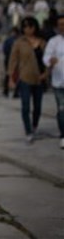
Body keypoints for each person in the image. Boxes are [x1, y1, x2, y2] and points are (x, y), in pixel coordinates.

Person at [9, 16, 47, 144]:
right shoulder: (19, 43)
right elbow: (13, 60)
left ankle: (34, 125)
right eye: (25, 27)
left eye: (30, 26)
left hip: (39, 77)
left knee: (38, 107)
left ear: (35, 27)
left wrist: (46, 74)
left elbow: (47, 60)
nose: (28, 29)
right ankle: (28, 131)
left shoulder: (42, 43)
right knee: (25, 106)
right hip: (25, 77)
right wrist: (11, 77)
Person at [43, 14, 64, 149]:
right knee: (62, 110)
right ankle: (63, 135)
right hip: (58, 81)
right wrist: (49, 61)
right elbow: (46, 57)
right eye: (61, 24)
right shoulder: (53, 41)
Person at [3, 27, 20, 98]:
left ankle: (7, 90)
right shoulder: (18, 40)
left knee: (10, 74)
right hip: (15, 59)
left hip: (9, 59)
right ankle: (14, 91)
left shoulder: (8, 40)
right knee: (15, 75)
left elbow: (5, 50)